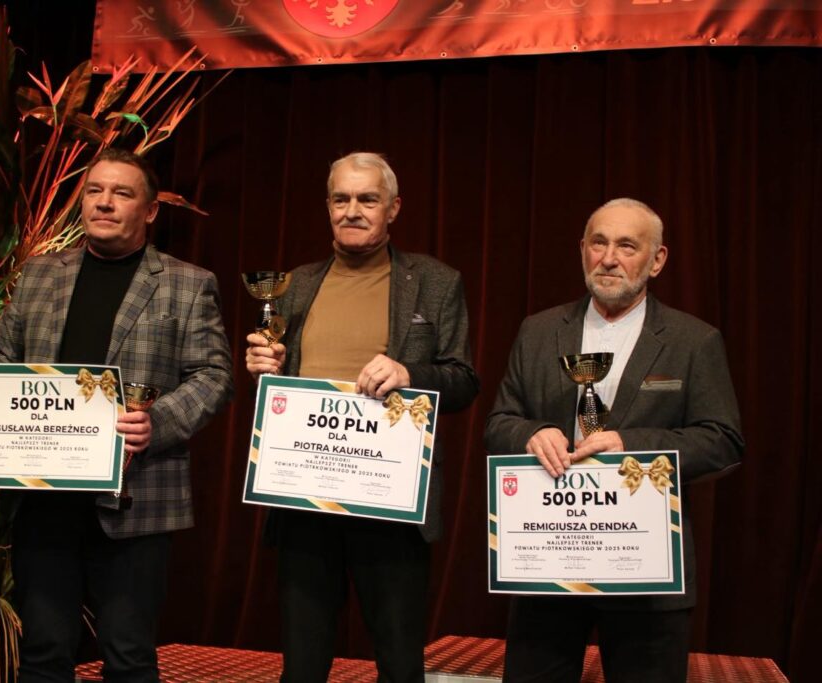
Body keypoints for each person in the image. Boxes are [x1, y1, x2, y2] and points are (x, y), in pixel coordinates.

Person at [0, 148, 233, 682]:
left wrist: (157, 422)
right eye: (95, 191)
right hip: (44, 497)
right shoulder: (39, 274)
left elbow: (215, 376)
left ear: (150, 211)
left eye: (122, 193)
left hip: (135, 499)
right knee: (42, 655)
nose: (104, 202)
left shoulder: (188, 283)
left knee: (128, 658)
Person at [485, 198, 744, 682]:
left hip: (645, 569)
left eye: (627, 246)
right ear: (582, 250)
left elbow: (722, 440)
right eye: (599, 243)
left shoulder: (693, 341)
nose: (608, 258)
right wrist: (531, 432)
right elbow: (500, 421)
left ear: (657, 260)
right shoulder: (538, 330)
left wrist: (630, 444)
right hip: (549, 562)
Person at [246, 152, 479, 682]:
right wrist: (266, 367)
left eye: (368, 199)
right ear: (328, 206)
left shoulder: (436, 281)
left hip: (391, 503)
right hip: (304, 499)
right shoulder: (293, 285)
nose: (352, 210)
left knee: (399, 664)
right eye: (341, 199)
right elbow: (279, 380)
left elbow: (464, 379)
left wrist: (409, 372)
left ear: (393, 208)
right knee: (302, 667)